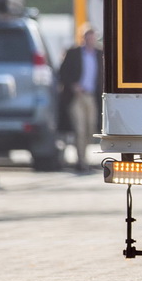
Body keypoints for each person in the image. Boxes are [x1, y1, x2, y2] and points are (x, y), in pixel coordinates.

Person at [57, 26, 103, 172]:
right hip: (77, 97)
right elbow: (62, 73)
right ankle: (81, 161)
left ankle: (85, 158)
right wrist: (72, 85)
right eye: (88, 38)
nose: (90, 40)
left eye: (93, 38)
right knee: (80, 128)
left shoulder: (99, 54)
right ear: (83, 38)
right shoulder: (73, 53)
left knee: (91, 127)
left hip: (92, 96)